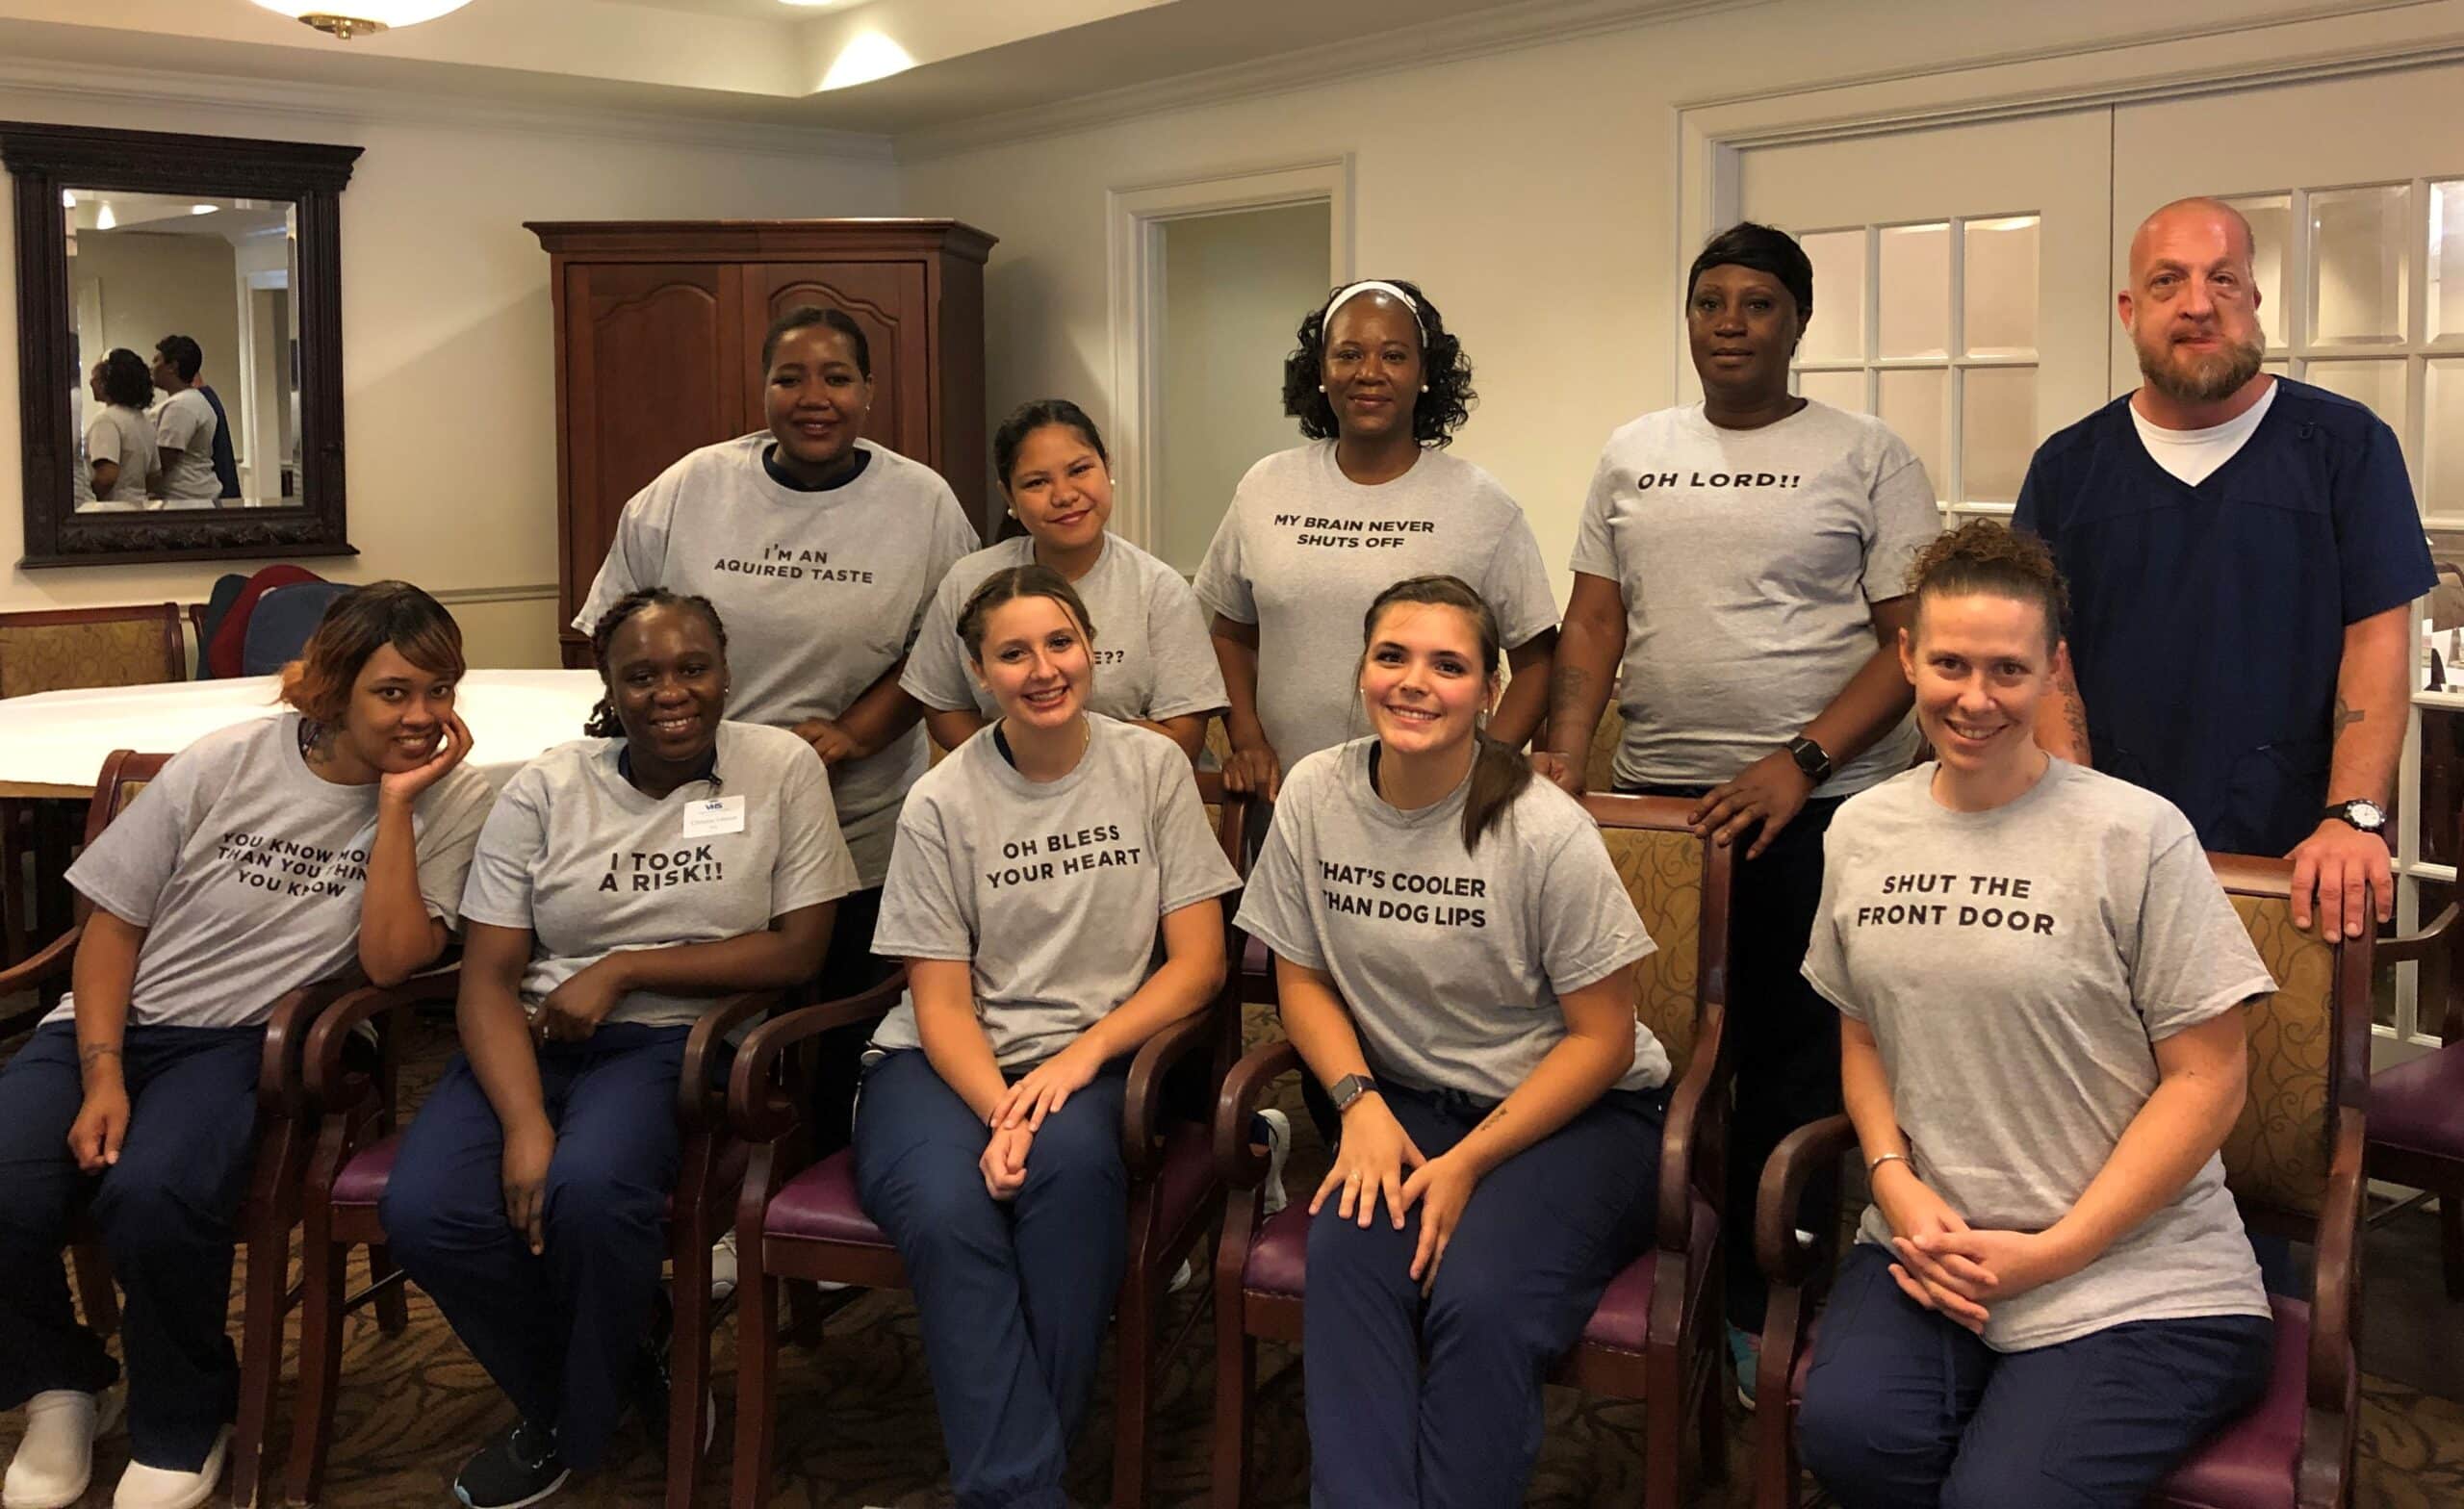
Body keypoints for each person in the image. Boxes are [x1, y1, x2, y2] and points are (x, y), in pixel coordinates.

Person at [1792, 521, 2275, 1509]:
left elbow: (2209, 1076)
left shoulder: (2134, 834)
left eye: (2008, 668)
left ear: (2053, 668)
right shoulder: (1860, 828)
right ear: (1907, 658)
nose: (1975, 698)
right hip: (1931, 1248)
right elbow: (1862, 1030)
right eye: (1951, 664)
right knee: (1849, 1438)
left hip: (2137, 1272)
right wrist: (1892, 1178)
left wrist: (2054, 1250)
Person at [1538, 220, 1939, 1401]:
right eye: (1709, 300)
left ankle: (1780, 1297)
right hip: (1657, 809)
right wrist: (1568, 763)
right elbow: (1594, 623)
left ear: (1796, 324)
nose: (1729, 321)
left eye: (1757, 303)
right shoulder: (1633, 451)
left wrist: (1799, 760)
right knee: (1650, 1044)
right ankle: (1668, 1264)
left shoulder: (1867, 454)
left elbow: (1907, 643)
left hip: (1819, 813)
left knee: (1790, 1058)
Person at [0, 582, 491, 1509]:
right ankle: (60, 1381)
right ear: (332, 690)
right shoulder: (223, 762)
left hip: (247, 1047)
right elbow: (112, 927)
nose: (423, 716)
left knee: (154, 1193)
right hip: (115, 1025)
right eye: (394, 692)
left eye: (441, 690)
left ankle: (185, 1416)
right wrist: (101, 1067)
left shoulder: (450, 801)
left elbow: (390, 962)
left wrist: (394, 808)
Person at [380, 590, 854, 1509]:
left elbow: (801, 948)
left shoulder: (781, 766)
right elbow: (486, 976)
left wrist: (628, 966)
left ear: (726, 673)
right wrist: (522, 1122)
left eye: (692, 669)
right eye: (640, 675)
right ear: (608, 685)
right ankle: (627, 1367)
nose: (670, 692)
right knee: (424, 1209)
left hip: (675, 1043)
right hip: (532, 1036)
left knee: (592, 1195)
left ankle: (569, 1427)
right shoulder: (549, 785)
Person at [1236, 574, 1670, 1507]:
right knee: (1346, 1272)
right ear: (1360, 670)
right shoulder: (1316, 791)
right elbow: (1299, 973)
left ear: (1488, 688)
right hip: (1402, 1104)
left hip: (1582, 1116)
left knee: (1479, 1298)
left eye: (1449, 663)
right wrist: (1357, 1104)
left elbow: (1604, 1037)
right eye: (1392, 654)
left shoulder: (1540, 827)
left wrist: (1470, 1159)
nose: (1415, 681)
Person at [854, 566, 1242, 1509]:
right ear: (979, 672)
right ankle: (1027, 1489)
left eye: (1060, 643)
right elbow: (939, 1005)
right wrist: (1001, 1109)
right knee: (947, 1211)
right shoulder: (942, 799)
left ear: (1090, 649)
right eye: (1013, 652)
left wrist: (1075, 1060)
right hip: (939, 1066)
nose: (1043, 668)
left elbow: (1196, 963)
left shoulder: (1149, 767)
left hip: (1094, 1053)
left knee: (1067, 1183)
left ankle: (1005, 1486)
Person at [574, 304, 978, 1153]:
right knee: (695, 1021)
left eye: (836, 376)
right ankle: (708, 1194)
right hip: (697, 810)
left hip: (856, 811)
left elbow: (939, 650)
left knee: (832, 1022)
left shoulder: (923, 504)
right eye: (789, 377)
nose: (813, 396)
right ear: (762, 389)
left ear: (870, 391)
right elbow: (614, 630)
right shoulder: (691, 487)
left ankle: (817, 1188)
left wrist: (857, 733)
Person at [2015, 195, 2433, 940]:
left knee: (2281, 1055)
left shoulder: (2345, 448)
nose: (2198, 305)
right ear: (2129, 308)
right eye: (2168, 281)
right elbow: (2046, 656)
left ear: (2254, 299)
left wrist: (2353, 817)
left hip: (2298, 860)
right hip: (2110, 854)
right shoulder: (2068, 468)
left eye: (2224, 279)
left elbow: (2377, 642)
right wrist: (2072, 811)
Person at [1194, 279, 1558, 803]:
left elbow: (1538, 660)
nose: (1369, 373)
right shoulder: (1265, 487)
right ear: (1321, 371)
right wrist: (1247, 738)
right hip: (1285, 798)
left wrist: (1487, 762)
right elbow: (1230, 634)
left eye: (1393, 355)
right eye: (1348, 354)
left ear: (1425, 372)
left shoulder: (1480, 503)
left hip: (1431, 802)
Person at [903, 399, 1226, 762]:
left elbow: (1182, 738)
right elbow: (944, 706)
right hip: (1007, 792)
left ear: (1107, 467)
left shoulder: (1158, 590)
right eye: (1037, 482)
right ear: (1009, 495)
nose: (1064, 495)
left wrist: (1055, 751)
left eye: (1079, 470)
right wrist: (1015, 763)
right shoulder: (969, 581)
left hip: (1131, 794)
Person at [148, 336, 231, 505]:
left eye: (156, 360)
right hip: (191, 500)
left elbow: (165, 461)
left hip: (186, 502)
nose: (152, 367)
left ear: (172, 366)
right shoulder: (189, 400)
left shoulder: (182, 406)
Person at [82, 349, 158, 510]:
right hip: (140, 506)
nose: (90, 382)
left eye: (95, 378)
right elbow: (154, 475)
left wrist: (87, 498)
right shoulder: (144, 420)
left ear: (105, 384)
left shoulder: (106, 420)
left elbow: (107, 476)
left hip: (113, 509)